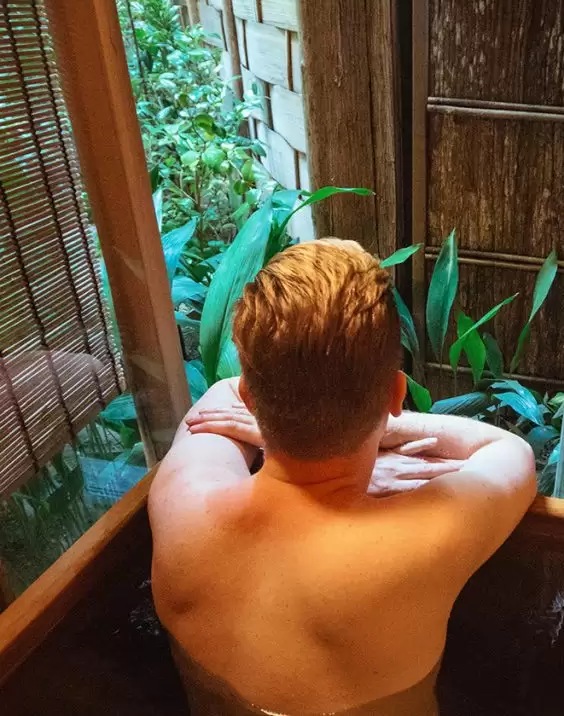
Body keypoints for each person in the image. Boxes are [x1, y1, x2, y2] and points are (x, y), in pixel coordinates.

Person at [149, 238, 537, 716]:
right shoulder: (421, 544)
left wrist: (285, 427)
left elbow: (219, 397)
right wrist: (383, 430)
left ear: (252, 400)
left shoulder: (180, 501)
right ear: (397, 394)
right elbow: (510, 450)